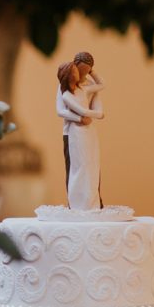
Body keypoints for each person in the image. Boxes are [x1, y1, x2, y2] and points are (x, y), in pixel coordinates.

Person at [55, 52, 106, 210]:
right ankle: (75, 204)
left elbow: (97, 107)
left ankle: (94, 203)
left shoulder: (89, 87)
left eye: (87, 70)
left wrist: (94, 116)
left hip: (88, 131)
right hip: (71, 132)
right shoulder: (64, 87)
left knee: (92, 164)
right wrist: (80, 118)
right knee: (74, 166)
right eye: (80, 69)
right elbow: (60, 111)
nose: (82, 73)